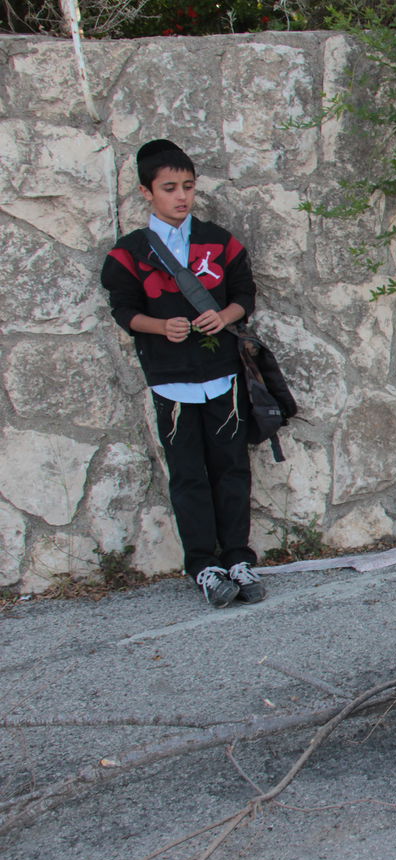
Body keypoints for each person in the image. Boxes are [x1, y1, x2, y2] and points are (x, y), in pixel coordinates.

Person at [101, 139, 264, 608]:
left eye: (188, 186)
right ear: (145, 192)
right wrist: (160, 325)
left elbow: (244, 296)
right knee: (188, 473)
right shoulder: (128, 254)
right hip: (171, 379)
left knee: (231, 468)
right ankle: (204, 565)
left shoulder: (220, 242)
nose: (181, 197)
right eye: (169, 187)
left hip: (222, 374)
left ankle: (237, 557)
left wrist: (225, 316)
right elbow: (124, 310)